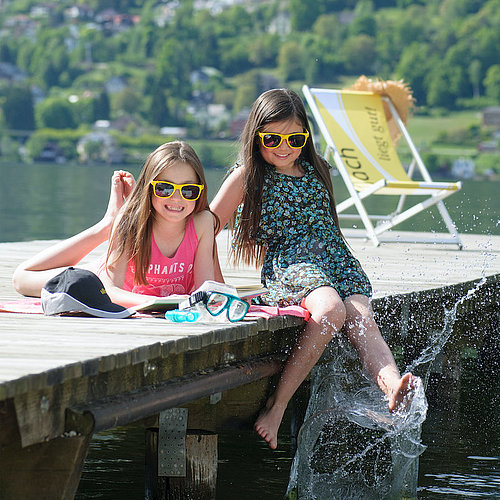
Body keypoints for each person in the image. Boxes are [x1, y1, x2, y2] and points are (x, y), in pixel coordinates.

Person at [210, 89, 419, 450]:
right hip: (292, 264)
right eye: (272, 138)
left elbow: (327, 226)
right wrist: (211, 281)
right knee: (330, 310)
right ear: (256, 135)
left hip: (337, 260)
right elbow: (206, 226)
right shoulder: (247, 176)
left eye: (294, 138)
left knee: (361, 317)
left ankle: (393, 387)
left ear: (305, 136)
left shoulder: (316, 167)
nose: (283, 146)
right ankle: (277, 407)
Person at [13, 141, 217, 308]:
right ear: (148, 188)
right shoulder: (130, 224)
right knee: (21, 279)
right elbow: (109, 290)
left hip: (148, 293)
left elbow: (205, 288)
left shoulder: (202, 224)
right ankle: (107, 225)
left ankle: (109, 224)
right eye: (164, 188)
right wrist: (155, 303)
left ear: (200, 191)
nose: (176, 198)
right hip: (95, 280)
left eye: (188, 190)